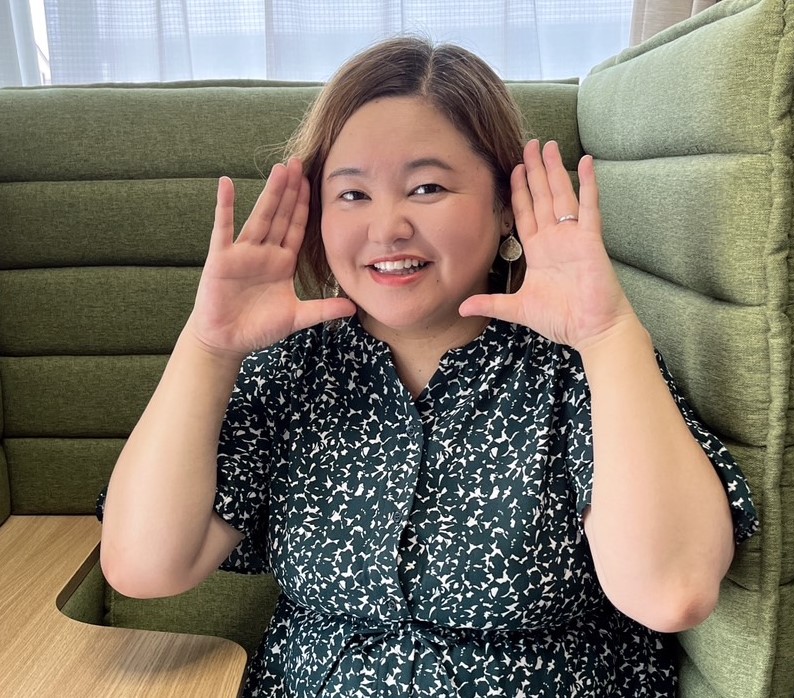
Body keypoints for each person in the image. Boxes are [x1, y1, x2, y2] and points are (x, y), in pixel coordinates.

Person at [98, 36, 759, 697]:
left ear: (504, 203)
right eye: (352, 194)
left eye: (427, 187)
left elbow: (672, 592)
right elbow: (144, 567)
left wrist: (607, 334)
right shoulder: (290, 371)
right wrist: (209, 347)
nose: (387, 227)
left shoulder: (579, 367)